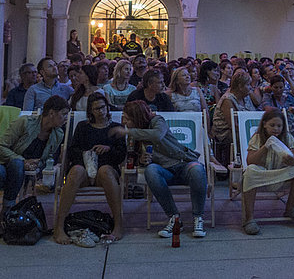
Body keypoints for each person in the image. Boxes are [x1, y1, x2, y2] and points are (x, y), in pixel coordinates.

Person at [112, 100, 208, 238]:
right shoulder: (133, 136)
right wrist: (141, 160)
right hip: (165, 171)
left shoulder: (157, 121)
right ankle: (175, 219)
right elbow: (135, 156)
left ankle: (198, 217)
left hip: (183, 164)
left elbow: (157, 135)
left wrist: (128, 131)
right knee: (150, 170)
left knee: (198, 169)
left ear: (137, 118)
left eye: (127, 118)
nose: (124, 122)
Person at [53, 93, 127, 244]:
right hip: (84, 169)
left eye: (103, 107)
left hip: (106, 170)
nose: (101, 111)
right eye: (96, 109)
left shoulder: (115, 128)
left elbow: (121, 155)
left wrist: (108, 149)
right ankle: (59, 226)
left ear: (107, 107)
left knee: (105, 170)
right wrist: (88, 154)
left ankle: (118, 225)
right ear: (91, 111)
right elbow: (72, 151)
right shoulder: (83, 127)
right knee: (76, 171)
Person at [242, 108, 294, 235]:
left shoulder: (287, 137)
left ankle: (290, 208)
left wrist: (293, 161)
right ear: (264, 124)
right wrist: (266, 146)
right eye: (272, 125)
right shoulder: (257, 138)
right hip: (262, 175)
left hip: (281, 173)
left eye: (279, 126)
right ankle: (249, 218)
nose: (276, 129)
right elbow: (250, 160)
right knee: (250, 171)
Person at [0, 96, 69, 217]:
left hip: (31, 169)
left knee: (17, 167)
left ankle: (7, 211)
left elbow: (50, 159)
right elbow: (1, 145)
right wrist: (23, 160)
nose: (66, 118)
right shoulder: (25, 122)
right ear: (52, 113)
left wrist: (39, 163)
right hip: (6, 162)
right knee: (15, 165)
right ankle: (8, 208)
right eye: (63, 114)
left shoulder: (58, 134)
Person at [212, 73, 257, 167]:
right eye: (248, 85)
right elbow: (233, 124)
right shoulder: (227, 100)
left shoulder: (246, 96)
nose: (250, 88)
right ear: (240, 86)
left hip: (244, 129)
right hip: (226, 132)